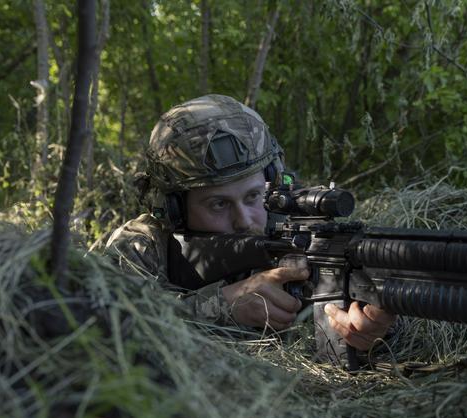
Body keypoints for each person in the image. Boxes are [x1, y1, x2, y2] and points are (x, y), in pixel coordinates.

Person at [105, 94, 396, 351]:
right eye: (218, 204)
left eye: (254, 196)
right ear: (173, 209)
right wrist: (223, 306)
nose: (245, 220)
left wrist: (371, 326)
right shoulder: (140, 246)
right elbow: (109, 330)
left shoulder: (302, 229)